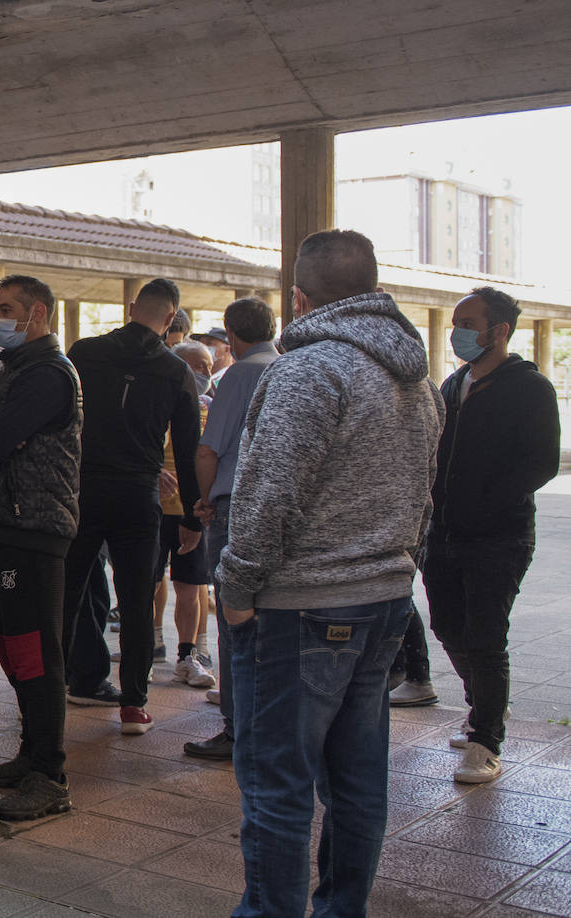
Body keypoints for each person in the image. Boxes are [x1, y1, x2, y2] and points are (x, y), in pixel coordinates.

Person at [218, 230, 443, 917]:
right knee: (356, 778)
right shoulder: (415, 379)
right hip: (383, 601)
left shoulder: (309, 370)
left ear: (298, 298)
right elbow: (424, 493)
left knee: (278, 783)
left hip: (302, 606)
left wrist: (237, 588)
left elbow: (269, 494)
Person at [425, 286, 560, 783]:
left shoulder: (529, 387)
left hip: (498, 538)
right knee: (446, 627)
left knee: (485, 637)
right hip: (442, 535)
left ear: (499, 331)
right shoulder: (453, 384)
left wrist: (484, 502)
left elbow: (542, 462)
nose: (458, 332)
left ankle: (485, 739)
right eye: (456, 322)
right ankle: (482, 705)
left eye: (467, 322)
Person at [61, 278, 203, 734]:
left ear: (130, 308)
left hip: (82, 490)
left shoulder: (83, 353)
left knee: (65, 594)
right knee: (138, 600)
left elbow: (62, 423)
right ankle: (133, 706)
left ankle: (45, 694)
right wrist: (193, 515)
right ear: (170, 320)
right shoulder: (175, 371)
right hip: (139, 496)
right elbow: (187, 448)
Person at [0, 274, 81, 821]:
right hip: (11, 528)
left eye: (6, 309)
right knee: (12, 647)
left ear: (38, 314)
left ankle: (50, 774)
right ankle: (33, 755)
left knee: (35, 652)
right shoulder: (17, 369)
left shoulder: (47, 374)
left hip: (35, 529)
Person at [183, 295, 277, 761]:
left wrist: (204, 500)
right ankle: (269, 720)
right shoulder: (288, 368)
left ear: (233, 337)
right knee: (272, 616)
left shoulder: (240, 374)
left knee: (234, 618)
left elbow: (208, 450)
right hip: (275, 508)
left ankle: (238, 728)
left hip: (234, 505)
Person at [155, 339, 216, 690]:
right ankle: (150, 645)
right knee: (150, 581)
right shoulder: (158, 404)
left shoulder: (210, 407)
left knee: (191, 586)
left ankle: (187, 655)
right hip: (159, 510)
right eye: (198, 366)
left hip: (194, 511)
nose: (206, 373)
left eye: (208, 366)